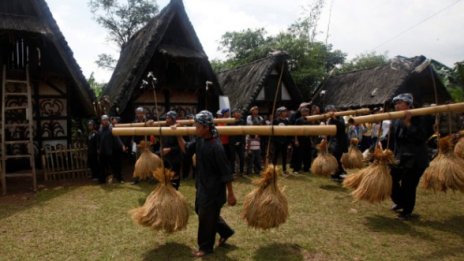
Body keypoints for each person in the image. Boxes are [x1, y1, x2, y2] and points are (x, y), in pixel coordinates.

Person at [176, 110, 236, 257]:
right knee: (201, 211)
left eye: (197, 126)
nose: (195, 128)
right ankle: (226, 231)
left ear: (206, 127)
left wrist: (231, 194)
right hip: (202, 185)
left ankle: (205, 247)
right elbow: (185, 149)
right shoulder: (200, 140)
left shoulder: (216, 147)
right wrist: (177, 134)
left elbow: (226, 172)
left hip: (214, 190)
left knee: (205, 217)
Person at [387, 93, 430, 220]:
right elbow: (395, 140)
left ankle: (407, 211)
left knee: (409, 185)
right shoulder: (396, 119)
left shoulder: (419, 117)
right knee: (391, 179)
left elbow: (421, 137)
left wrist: (408, 124)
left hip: (416, 158)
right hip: (401, 157)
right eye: (396, 103)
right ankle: (401, 202)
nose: (397, 105)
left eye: (400, 103)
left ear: (408, 104)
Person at [98, 115, 126, 184]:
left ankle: (119, 179)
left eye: (106, 120)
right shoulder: (100, 129)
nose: (105, 121)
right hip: (103, 151)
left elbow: (117, 138)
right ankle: (102, 180)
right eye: (104, 120)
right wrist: (98, 148)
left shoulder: (111, 128)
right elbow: (99, 140)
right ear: (101, 121)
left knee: (115, 166)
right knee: (102, 166)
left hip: (111, 150)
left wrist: (122, 145)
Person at [325, 105, 349, 181]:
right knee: (335, 158)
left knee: (337, 158)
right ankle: (339, 172)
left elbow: (342, 127)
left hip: (340, 142)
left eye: (331, 111)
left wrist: (335, 118)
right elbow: (329, 131)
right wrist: (327, 140)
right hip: (333, 142)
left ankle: (339, 173)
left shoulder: (340, 118)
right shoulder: (330, 120)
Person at [159, 111, 182, 190]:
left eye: (168, 118)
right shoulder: (164, 129)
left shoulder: (179, 129)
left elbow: (182, 146)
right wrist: (161, 150)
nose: (166, 119)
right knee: (165, 178)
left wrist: (170, 149)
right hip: (166, 158)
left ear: (173, 119)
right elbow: (162, 143)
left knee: (174, 178)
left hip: (175, 159)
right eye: (166, 117)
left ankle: (175, 193)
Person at [272, 106, 291, 174]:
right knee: (275, 156)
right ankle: (273, 169)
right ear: (279, 113)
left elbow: (289, 132)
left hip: (284, 141)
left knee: (284, 156)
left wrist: (288, 142)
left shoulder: (287, 121)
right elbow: (272, 131)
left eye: (285, 111)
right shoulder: (275, 121)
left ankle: (284, 170)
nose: (285, 113)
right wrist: (274, 140)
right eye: (283, 112)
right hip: (277, 141)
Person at [293, 107, 312, 174]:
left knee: (307, 154)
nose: (306, 113)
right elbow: (295, 131)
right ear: (302, 112)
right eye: (305, 111)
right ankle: (297, 168)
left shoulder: (310, 120)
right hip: (300, 139)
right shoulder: (298, 120)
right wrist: (296, 140)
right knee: (299, 154)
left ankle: (306, 168)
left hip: (307, 139)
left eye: (307, 112)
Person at [229, 109, 245, 175]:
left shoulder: (242, 121)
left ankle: (241, 171)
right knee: (232, 158)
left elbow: (244, 132)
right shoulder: (230, 122)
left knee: (242, 157)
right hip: (232, 141)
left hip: (240, 142)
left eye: (239, 112)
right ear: (233, 114)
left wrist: (241, 141)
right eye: (236, 112)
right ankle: (232, 171)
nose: (238, 113)